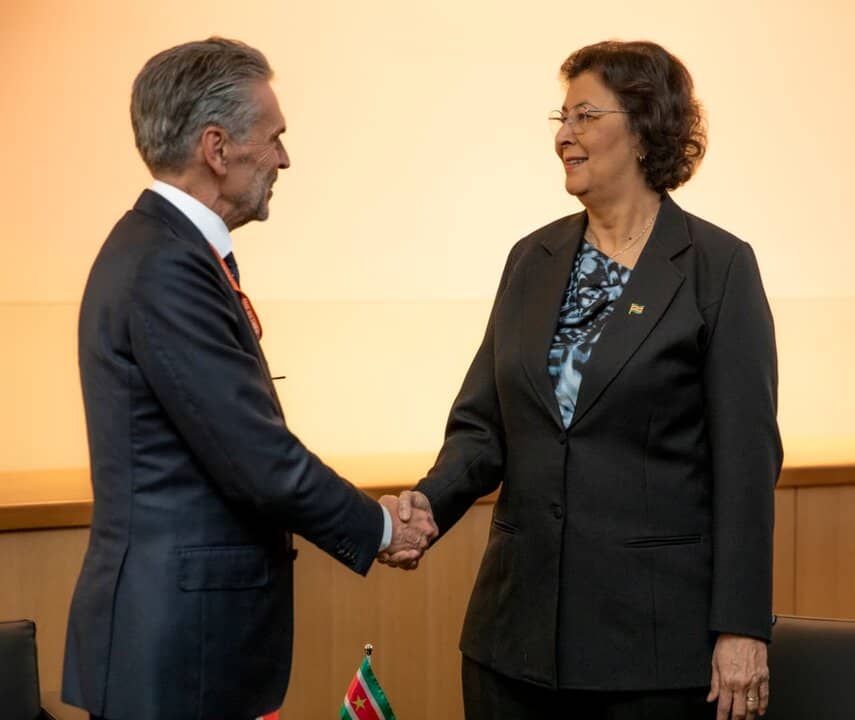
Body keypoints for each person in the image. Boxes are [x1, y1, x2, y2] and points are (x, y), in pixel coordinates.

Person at [385, 40, 781, 720]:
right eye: (560, 118)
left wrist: (741, 627)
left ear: (645, 127)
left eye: (584, 116)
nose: (563, 135)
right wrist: (427, 505)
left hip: (650, 653)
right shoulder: (531, 259)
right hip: (512, 641)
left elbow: (746, 465)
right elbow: (484, 426)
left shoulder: (717, 268)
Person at [62, 37, 436, 720]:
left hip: (177, 642)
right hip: (177, 651)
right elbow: (256, 458)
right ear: (217, 147)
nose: (284, 159)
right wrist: (381, 527)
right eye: (274, 138)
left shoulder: (160, 249)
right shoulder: (167, 265)